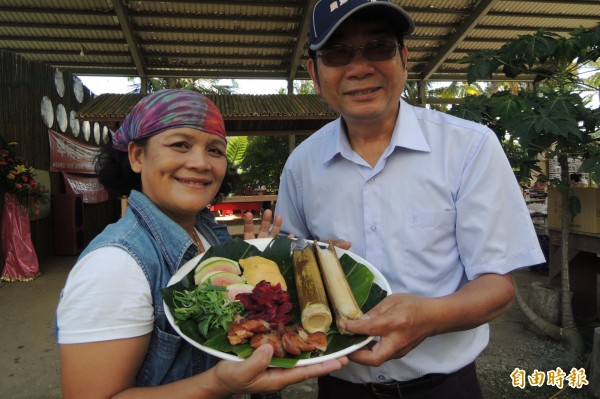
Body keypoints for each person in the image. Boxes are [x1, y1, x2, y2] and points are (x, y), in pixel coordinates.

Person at [274, 1, 545, 398]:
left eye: (379, 47)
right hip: (340, 386)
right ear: (315, 74)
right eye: (336, 54)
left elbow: (497, 285)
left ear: (403, 57)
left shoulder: (468, 147)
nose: (359, 67)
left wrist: (428, 317)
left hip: (446, 387)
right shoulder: (301, 165)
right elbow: (290, 276)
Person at [55, 89, 347, 399]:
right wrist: (216, 385)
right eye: (180, 145)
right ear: (137, 156)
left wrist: (258, 263)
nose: (200, 163)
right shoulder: (114, 265)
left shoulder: (210, 235)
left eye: (215, 150)